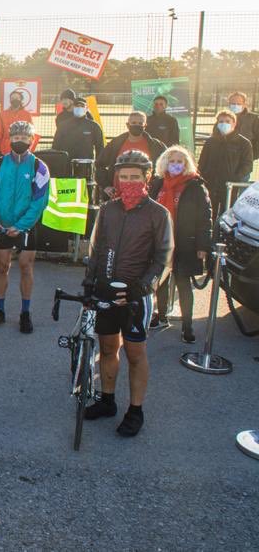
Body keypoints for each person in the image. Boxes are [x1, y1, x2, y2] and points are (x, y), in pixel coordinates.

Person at [82, 150, 172, 438]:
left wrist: (143, 286)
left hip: (136, 296)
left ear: (147, 178)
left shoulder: (158, 214)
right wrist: (89, 283)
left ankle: (136, 410)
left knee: (135, 353)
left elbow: (164, 257)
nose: (129, 182)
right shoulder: (108, 210)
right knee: (108, 348)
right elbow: (96, 249)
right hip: (107, 289)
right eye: (124, 177)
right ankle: (107, 400)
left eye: (135, 177)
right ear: (116, 179)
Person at [0, 120, 51, 333]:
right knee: (2, 267)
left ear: (31, 140)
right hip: (1, 225)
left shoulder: (40, 166)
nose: (19, 141)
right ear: (9, 139)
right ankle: (0, 311)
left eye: (24, 138)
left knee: (25, 266)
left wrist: (21, 226)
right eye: (16, 137)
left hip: (26, 227)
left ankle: (25, 313)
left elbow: (40, 201)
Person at [149, 146, 211, 341]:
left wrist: (203, 245)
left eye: (180, 161)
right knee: (161, 281)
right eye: (172, 161)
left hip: (186, 242)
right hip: (161, 241)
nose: (175, 165)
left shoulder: (195, 186)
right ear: (165, 162)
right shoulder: (158, 183)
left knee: (183, 284)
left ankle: (187, 325)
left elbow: (205, 218)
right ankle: (161, 315)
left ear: (186, 164)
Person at [96, 111, 166, 200]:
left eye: (140, 123)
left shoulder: (155, 145)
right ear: (127, 125)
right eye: (133, 123)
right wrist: (106, 186)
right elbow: (99, 165)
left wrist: (157, 187)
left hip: (146, 196)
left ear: (145, 126)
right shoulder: (116, 143)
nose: (137, 125)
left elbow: (167, 165)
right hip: (118, 195)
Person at [198, 110, 253, 219]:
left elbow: (247, 165)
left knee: (227, 215)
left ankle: (223, 236)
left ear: (234, 123)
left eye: (227, 121)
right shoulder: (210, 142)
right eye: (221, 121)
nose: (224, 124)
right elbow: (202, 163)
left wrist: (234, 179)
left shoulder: (244, 143)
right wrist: (203, 179)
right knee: (208, 214)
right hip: (211, 185)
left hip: (229, 187)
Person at [53, 95, 105, 162]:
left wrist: (98, 166)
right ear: (73, 108)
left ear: (86, 109)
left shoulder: (94, 126)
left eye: (82, 106)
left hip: (86, 165)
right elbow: (55, 146)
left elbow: (100, 148)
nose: (79, 108)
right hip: (66, 164)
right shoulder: (63, 125)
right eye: (77, 106)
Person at [228, 91, 259, 160]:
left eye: (238, 104)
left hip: (245, 157)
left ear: (244, 104)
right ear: (229, 104)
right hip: (225, 156)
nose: (235, 105)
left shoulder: (253, 118)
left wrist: (253, 156)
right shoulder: (223, 117)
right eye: (233, 103)